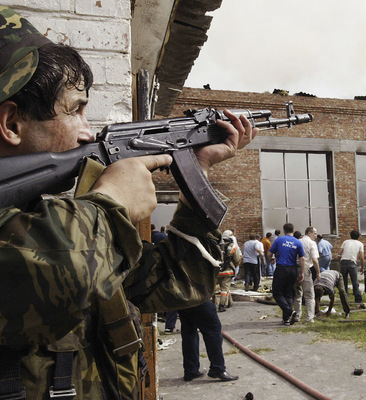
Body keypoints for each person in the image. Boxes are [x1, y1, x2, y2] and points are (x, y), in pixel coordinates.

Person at [0, 7, 257, 397]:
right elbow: (59, 273)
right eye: (76, 110)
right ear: (12, 124)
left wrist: (197, 174)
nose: (89, 133)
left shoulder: (58, 222)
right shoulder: (74, 230)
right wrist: (110, 206)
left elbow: (176, 285)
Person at [178, 301, 238, 382]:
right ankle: (218, 369)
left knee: (189, 334)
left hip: (182, 302)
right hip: (199, 300)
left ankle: (191, 370)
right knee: (213, 331)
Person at [267, 223, 305, 325]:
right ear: (293, 230)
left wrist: (271, 259)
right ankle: (286, 319)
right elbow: (302, 258)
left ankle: (289, 312)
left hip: (282, 268)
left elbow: (269, 253)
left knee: (277, 292)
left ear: (284, 231)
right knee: (288, 293)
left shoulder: (279, 240)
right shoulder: (298, 242)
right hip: (293, 269)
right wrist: (302, 273)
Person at [294, 226, 321, 323]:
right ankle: (309, 317)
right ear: (309, 233)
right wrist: (318, 272)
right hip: (305, 268)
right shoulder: (312, 243)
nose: (316, 235)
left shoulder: (298, 241)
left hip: (295, 268)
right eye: (315, 233)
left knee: (297, 293)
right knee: (309, 294)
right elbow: (314, 259)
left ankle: (297, 315)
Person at [214, 229, 242, 312]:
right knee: (224, 289)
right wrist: (235, 266)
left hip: (218, 270)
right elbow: (237, 259)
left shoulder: (217, 246)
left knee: (224, 287)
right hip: (228, 271)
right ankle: (221, 305)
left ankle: (229, 302)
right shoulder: (232, 246)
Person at [338, 230, 365, 304]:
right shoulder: (360, 244)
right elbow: (362, 257)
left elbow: (339, 253)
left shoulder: (345, 242)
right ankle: (358, 299)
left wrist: (340, 260)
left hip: (343, 262)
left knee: (344, 282)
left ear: (350, 235)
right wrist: (362, 267)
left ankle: (344, 298)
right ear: (358, 237)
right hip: (352, 263)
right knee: (355, 281)